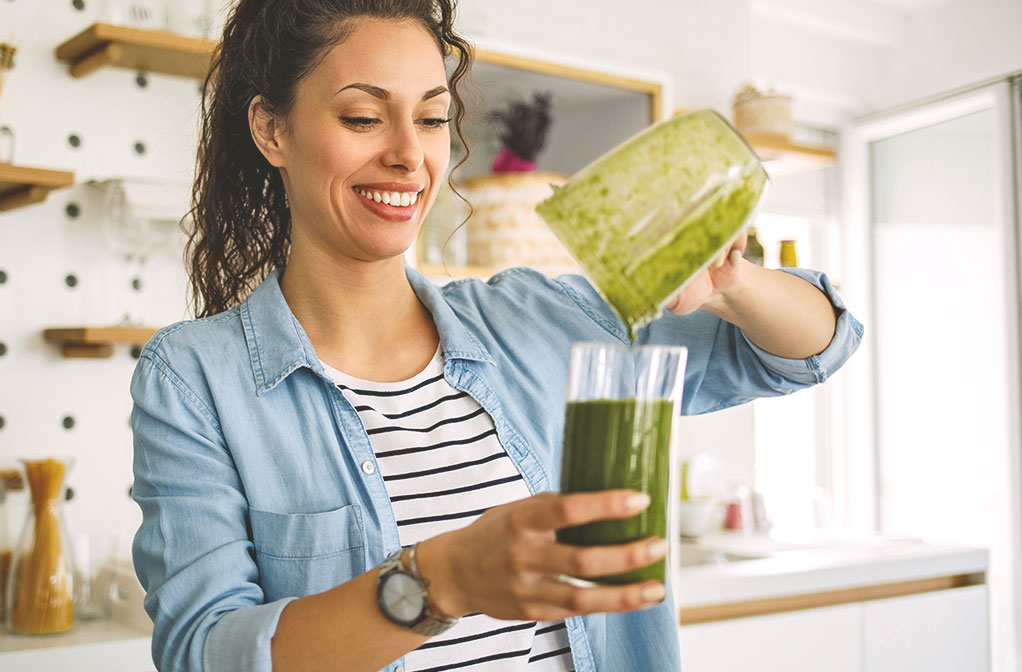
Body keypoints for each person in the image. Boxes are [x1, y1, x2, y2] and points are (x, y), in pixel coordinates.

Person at [129, 0, 863, 671]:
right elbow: (204, 655)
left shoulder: (544, 320)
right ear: (272, 129)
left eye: (431, 117)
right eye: (362, 117)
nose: (408, 154)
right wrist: (442, 580)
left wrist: (731, 281)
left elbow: (815, 346)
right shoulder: (195, 380)